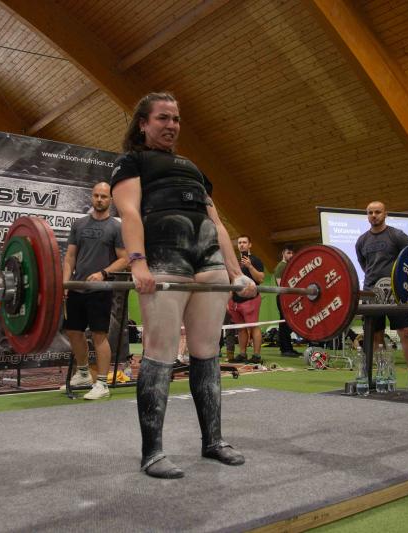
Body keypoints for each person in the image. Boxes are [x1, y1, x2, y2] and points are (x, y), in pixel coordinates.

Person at [111, 92, 257, 479]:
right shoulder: (132, 162)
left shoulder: (192, 167)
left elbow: (217, 223)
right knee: (159, 352)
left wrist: (235, 273)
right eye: (163, 118)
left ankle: (213, 441)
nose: (171, 125)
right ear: (143, 123)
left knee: (206, 352)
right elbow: (129, 212)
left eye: (175, 118)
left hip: (208, 262)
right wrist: (138, 262)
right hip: (165, 259)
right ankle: (152, 453)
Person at [62, 182, 129, 400]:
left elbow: (124, 259)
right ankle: (83, 373)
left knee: (99, 336)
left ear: (111, 200)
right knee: (73, 332)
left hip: (100, 289)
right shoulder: (79, 224)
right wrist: (66, 283)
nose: (99, 199)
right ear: (92, 197)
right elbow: (70, 256)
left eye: (104, 196)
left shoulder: (116, 227)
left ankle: (102, 383)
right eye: (96, 195)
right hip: (77, 287)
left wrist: (103, 273)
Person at [356, 201, 408, 391]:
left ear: (385, 214)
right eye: (370, 212)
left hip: (396, 293)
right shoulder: (362, 241)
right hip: (372, 293)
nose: (374, 215)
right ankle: (382, 377)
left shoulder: (397, 235)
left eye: (377, 212)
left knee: (406, 333)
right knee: (376, 336)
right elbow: (365, 265)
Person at [227, 235, 265, 363]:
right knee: (241, 328)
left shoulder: (255, 260)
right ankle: (242, 354)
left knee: (253, 327)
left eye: (244, 242)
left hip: (251, 300)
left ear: (250, 245)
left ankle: (256, 356)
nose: (242, 244)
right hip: (235, 302)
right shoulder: (236, 262)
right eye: (239, 242)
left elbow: (260, 279)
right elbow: (232, 281)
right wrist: (228, 301)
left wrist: (250, 266)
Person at [274, 244, 299, 357]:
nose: (291, 255)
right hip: (283, 297)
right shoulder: (281, 266)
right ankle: (285, 349)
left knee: (287, 323)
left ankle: (288, 348)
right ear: (283, 253)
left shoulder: (288, 266)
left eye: (292, 253)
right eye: (288, 253)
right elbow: (281, 285)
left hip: (288, 298)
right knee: (284, 324)